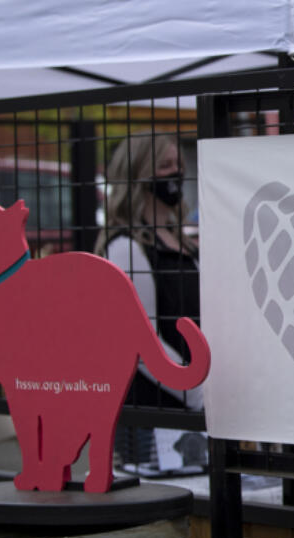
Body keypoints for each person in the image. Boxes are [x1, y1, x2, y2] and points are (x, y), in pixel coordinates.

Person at [99, 134, 207, 475]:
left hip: (193, 406)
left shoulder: (185, 243)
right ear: (137, 175)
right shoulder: (126, 247)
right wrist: (195, 389)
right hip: (151, 413)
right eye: (164, 166)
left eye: (179, 166)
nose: (175, 174)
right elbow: (140, 341)